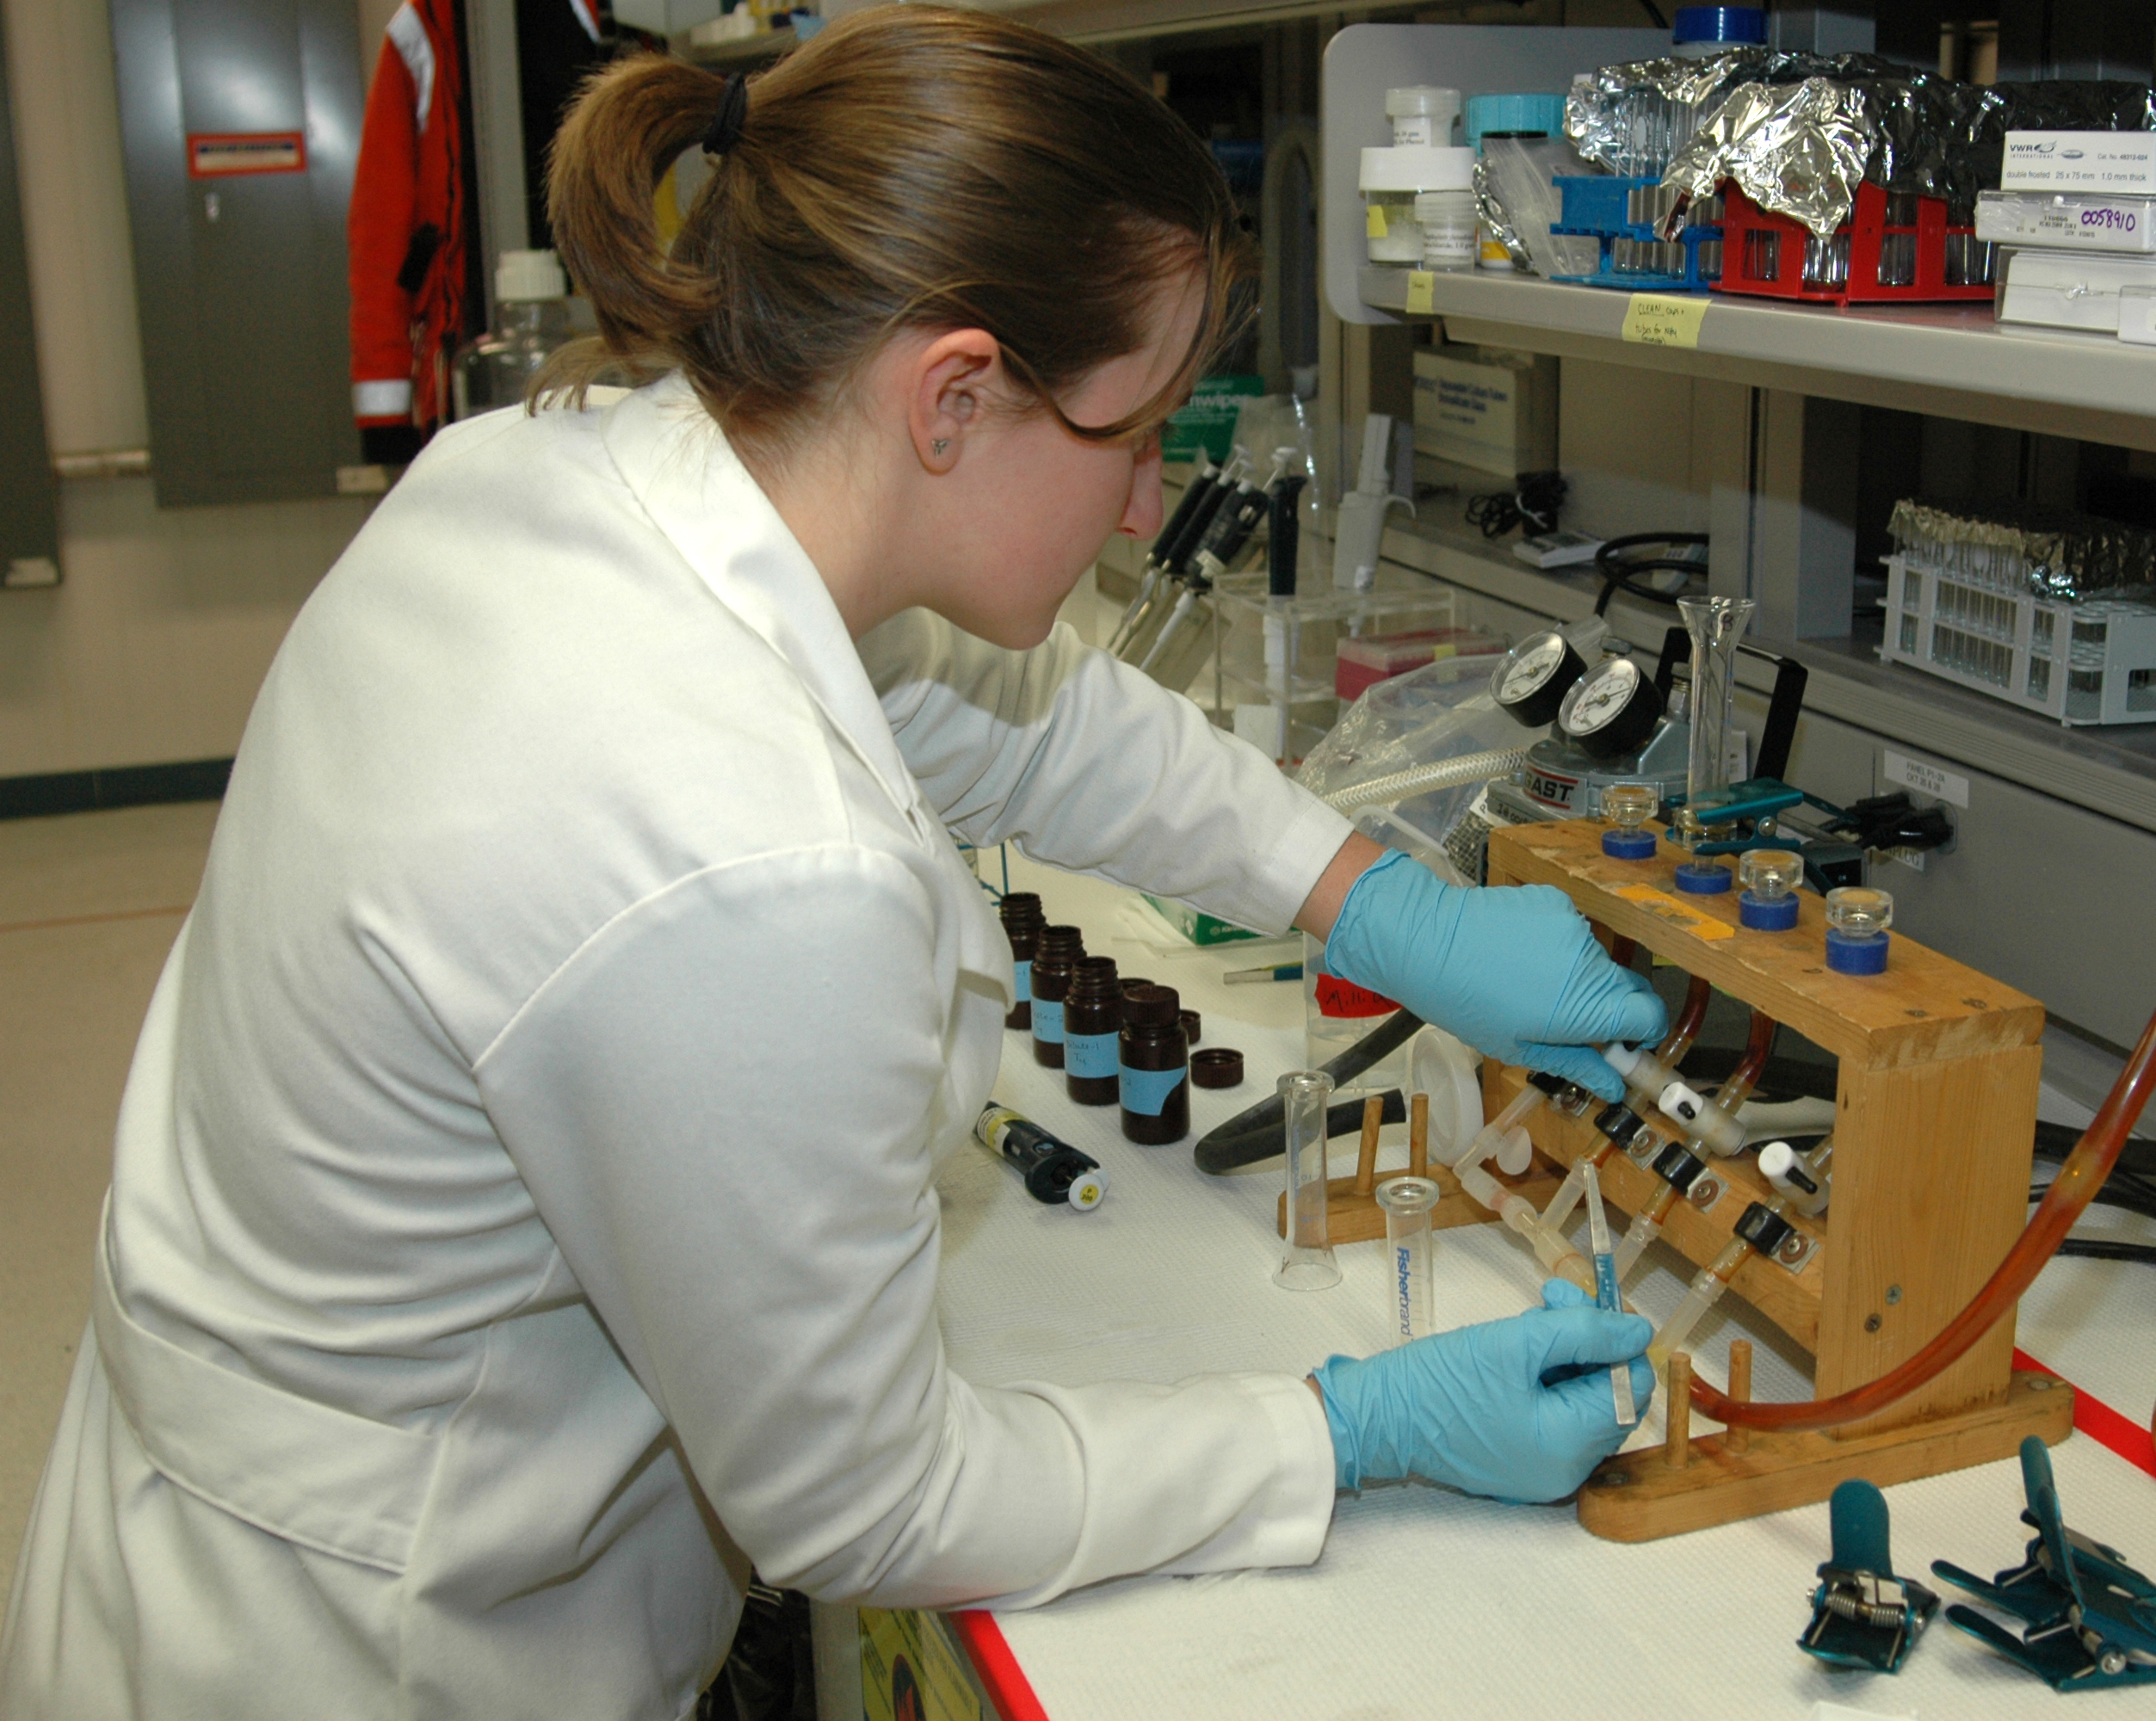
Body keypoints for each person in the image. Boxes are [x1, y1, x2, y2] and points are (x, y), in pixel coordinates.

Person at [0, 13, 1667, 1717]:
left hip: (210, 1506)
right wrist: (1346, 1430)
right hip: (367, 1647)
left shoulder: (555, 478)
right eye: (1136, 431)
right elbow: (871, 1499)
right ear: (951, 395)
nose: (1142, 502)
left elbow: (1028, 720)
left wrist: (1377, 903)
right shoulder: (742, 857)